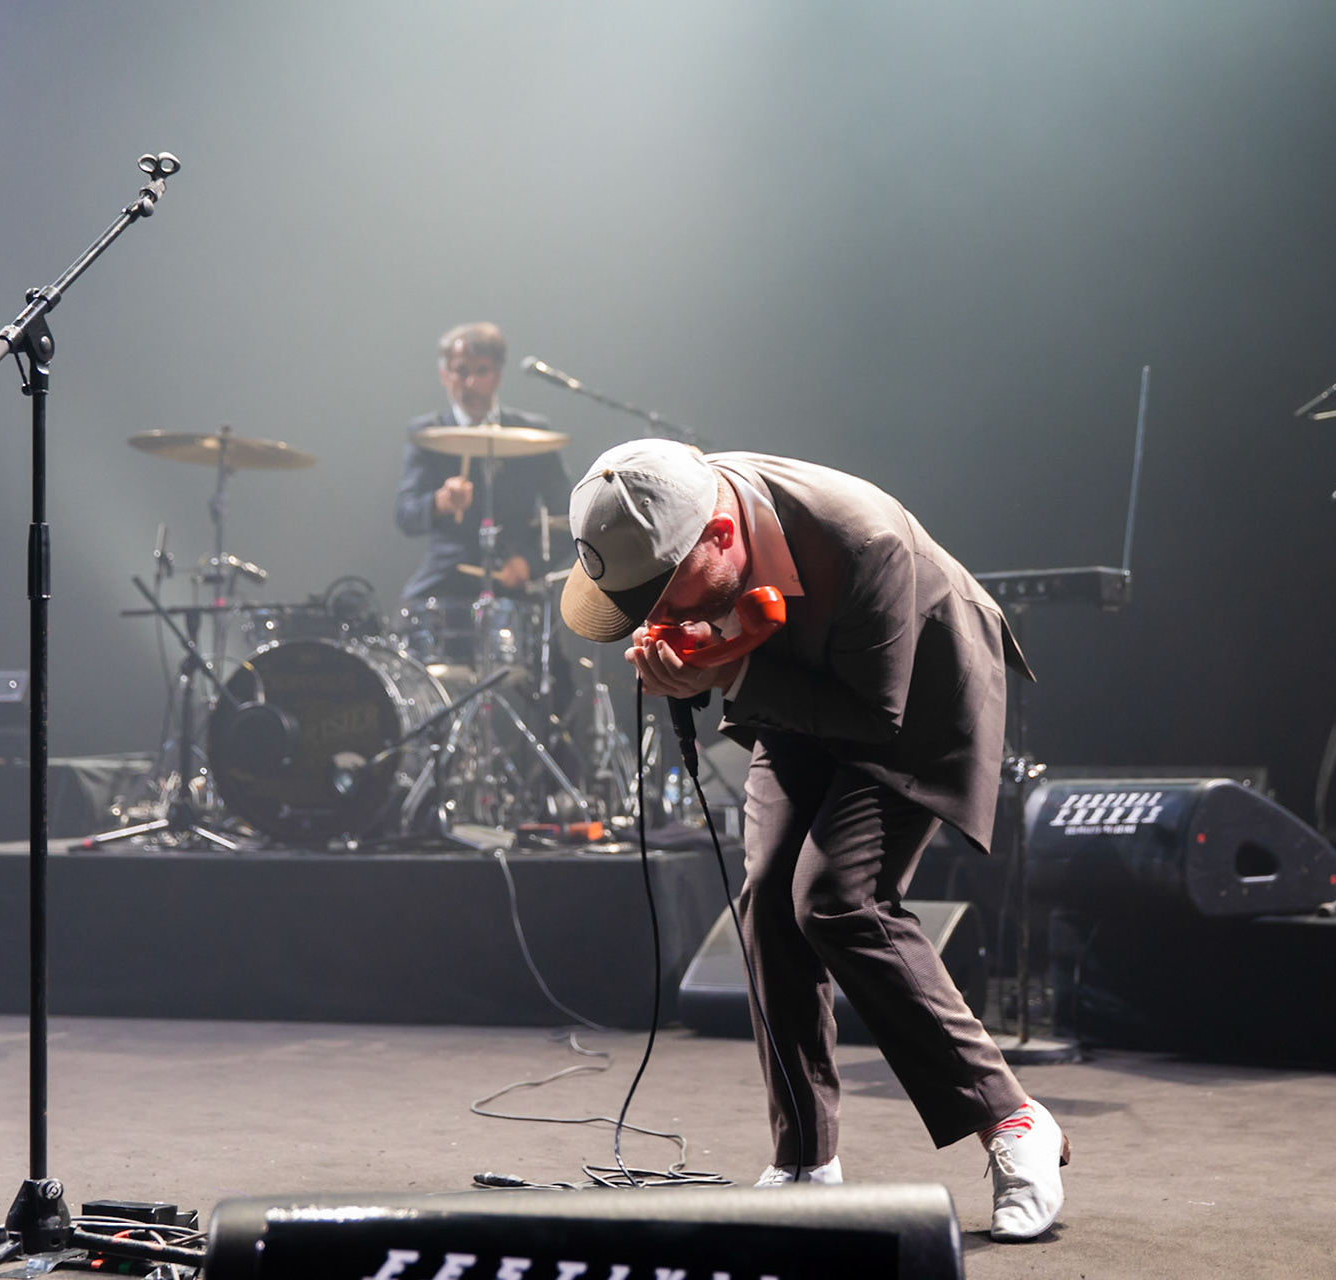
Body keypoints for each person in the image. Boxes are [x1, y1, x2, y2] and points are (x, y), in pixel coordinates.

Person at [558, 439, 1069, 1241]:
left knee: (835, 901)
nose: (659, 616)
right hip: (795, 685)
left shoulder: (863, 540)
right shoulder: (675, 508)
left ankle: (1013, 1123)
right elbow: (752, 649)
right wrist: (696, 648)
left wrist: (724, 673)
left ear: (721, 534)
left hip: (913, 698)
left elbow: (873, 715)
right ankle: (804, 1163)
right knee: (766, 905)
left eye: (664, 593)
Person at [395, 322, 571, 606]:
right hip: (446, 581)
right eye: (461, 371)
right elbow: (405, 515)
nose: (471, 383)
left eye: (482, 371)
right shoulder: (426, 433)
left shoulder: (534, 434)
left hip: (515, 585)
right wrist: (439, 502)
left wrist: (530, 563)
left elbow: (569, 521)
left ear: (498, 376)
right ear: (444, 375)